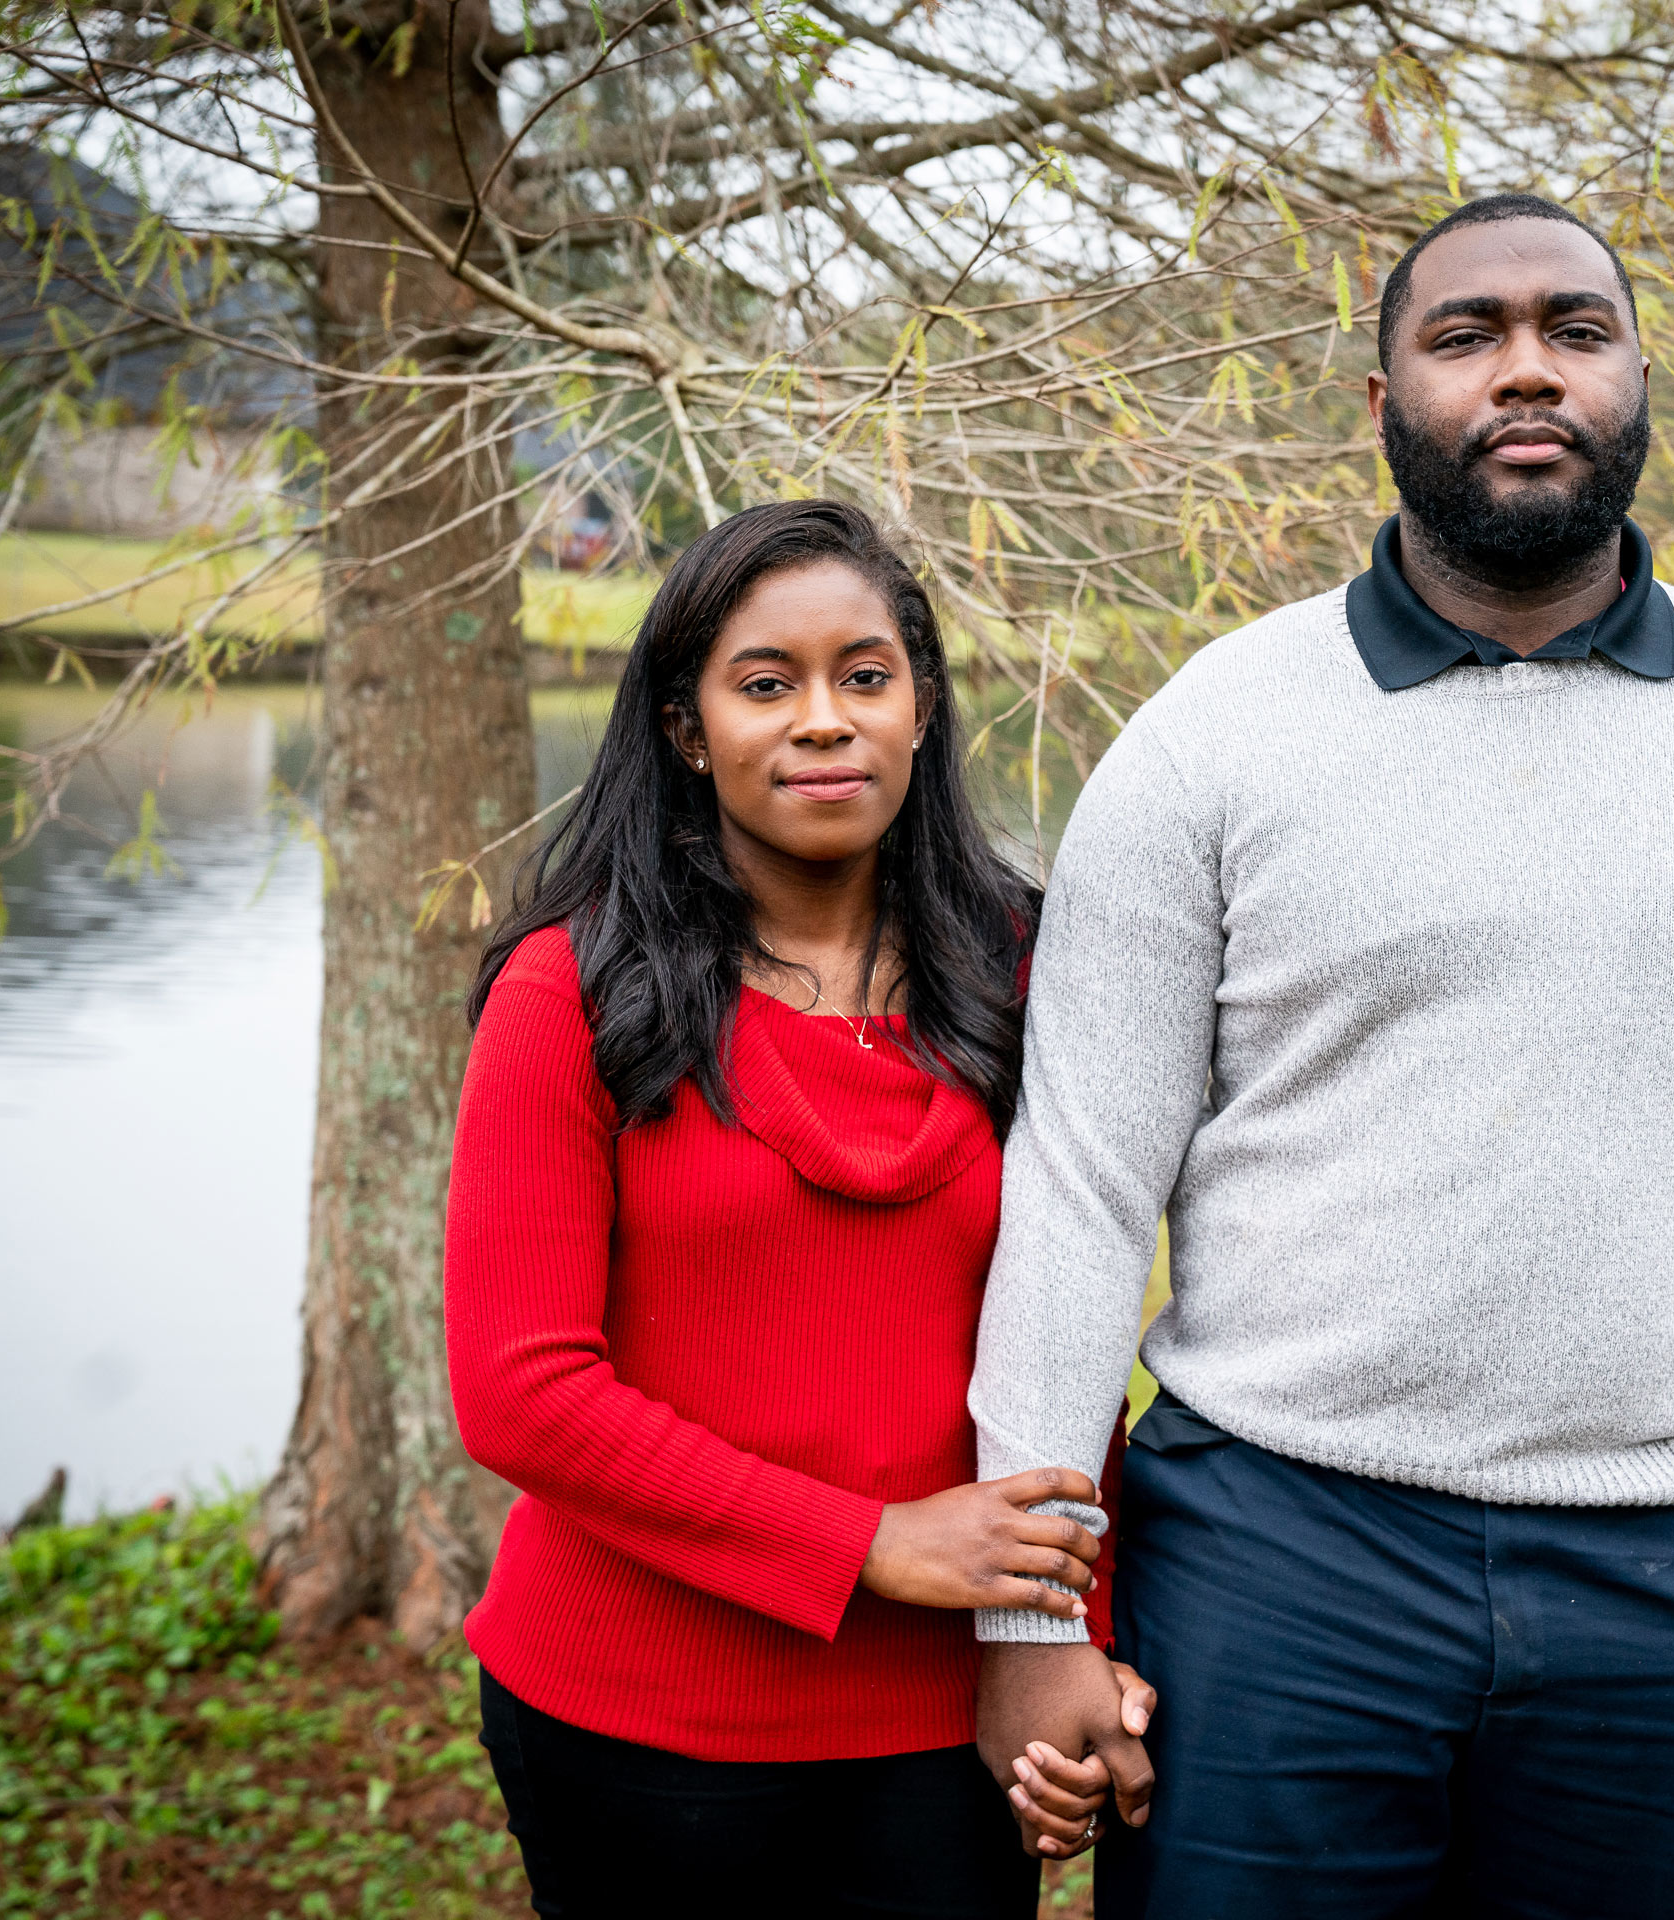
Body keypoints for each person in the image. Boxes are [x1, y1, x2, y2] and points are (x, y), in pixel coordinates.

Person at [968, 194, 1674, 1917]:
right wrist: (1035, 1616)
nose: (1527, 372)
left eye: (1577, 331)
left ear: (1640, 381)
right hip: (1274, 1563)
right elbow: (1078, 1181)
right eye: (1467, 334)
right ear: (1382, 399)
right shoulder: (1211, 734)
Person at [443, 499, 1152, 1917]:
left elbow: (1079, 1315)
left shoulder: (1033, 970)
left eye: (864, 676)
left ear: (921, 709)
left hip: (951, 1724)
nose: (824, 721)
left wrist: (1081, 1626)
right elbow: (520, 1392)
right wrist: (870, 1543)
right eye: (767, 684)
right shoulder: (569, 995)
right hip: (638, 1730)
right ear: (686, 729)